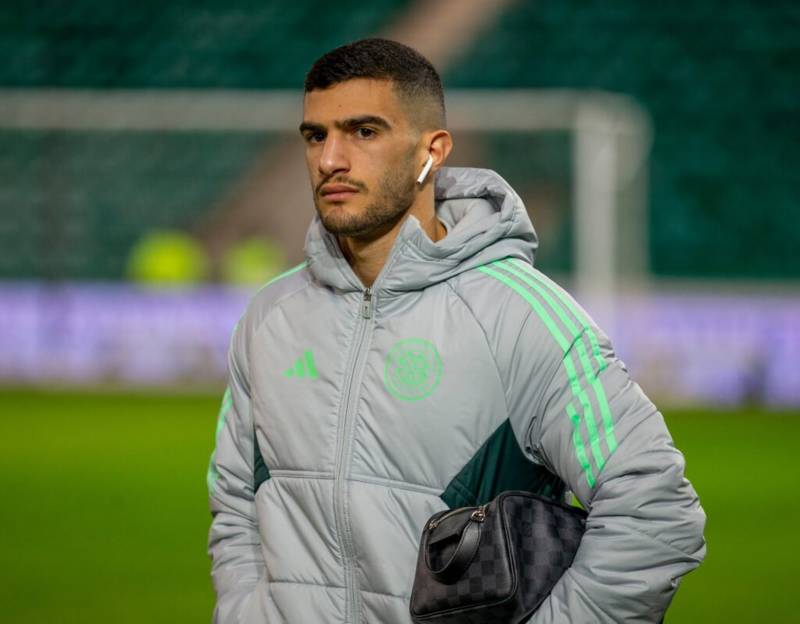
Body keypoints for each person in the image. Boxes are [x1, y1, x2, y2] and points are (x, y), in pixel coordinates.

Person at [207, 38, 706, 624]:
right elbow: (235, 502)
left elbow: (655, 512)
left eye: (364, 131)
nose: (330, 159)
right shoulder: (269, 316)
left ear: (433, 150)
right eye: (316, 136)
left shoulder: (524, 318)